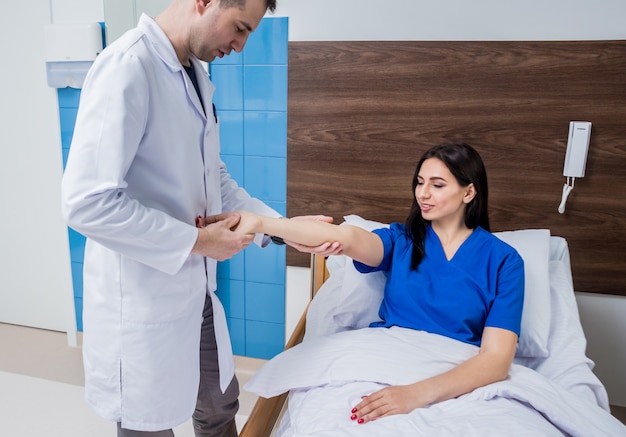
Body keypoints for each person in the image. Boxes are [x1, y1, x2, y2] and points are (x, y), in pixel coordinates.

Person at [61, 0, 340, 436]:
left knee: (218, 406)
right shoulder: (127, 66)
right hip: (143, 295)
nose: (241, 45)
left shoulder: (194, 73)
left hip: (196, 290)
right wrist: (196, 242)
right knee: (146, 425)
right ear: (204, 2)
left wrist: (281, 229)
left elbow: (214, 179)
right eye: (240, 28)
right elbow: (86, 202)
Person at [234, 142, 525, 424]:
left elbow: (496, 360)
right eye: (419, 182)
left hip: (456, 372)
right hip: (385, 356)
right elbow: (346, 237)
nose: (423, 193)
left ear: (469, 191)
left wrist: (414, 394)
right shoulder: (402, 240)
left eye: (437, 185)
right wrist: (260, 223)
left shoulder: (504, 261)